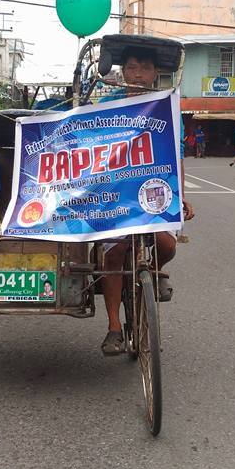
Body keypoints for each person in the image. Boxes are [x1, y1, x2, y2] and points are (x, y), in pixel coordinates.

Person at [97, 45, 195, 355]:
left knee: (167, 246)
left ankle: (154, 271)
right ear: (123, 71)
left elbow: (175, 155)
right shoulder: (106, 105)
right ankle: (114, 327)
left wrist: (183, 197)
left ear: (155, 74)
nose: (137, 73)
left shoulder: (166, 108)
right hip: (114, 196)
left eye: (145, 67)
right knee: (113, 256)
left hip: (152, 194)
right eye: (132, 66)